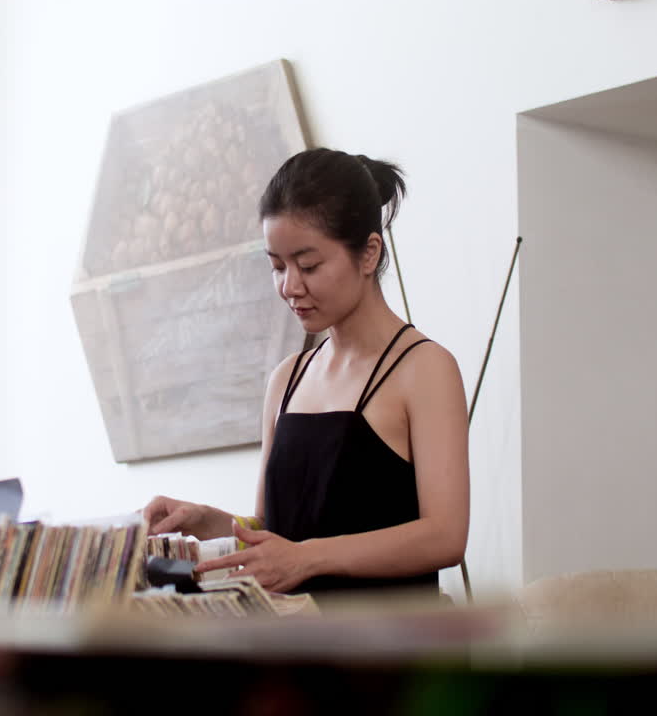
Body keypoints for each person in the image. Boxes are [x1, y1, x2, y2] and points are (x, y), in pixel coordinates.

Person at [143, 148, 470, 597]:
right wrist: (207, 521)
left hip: (389, 652)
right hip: (296, 648)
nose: (289, 286)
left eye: (309, 265)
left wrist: (308, 557)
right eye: (277, 266)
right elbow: (273, 531)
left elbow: (445, 536)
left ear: (369, 253)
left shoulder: (424, 369)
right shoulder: (287, 379)